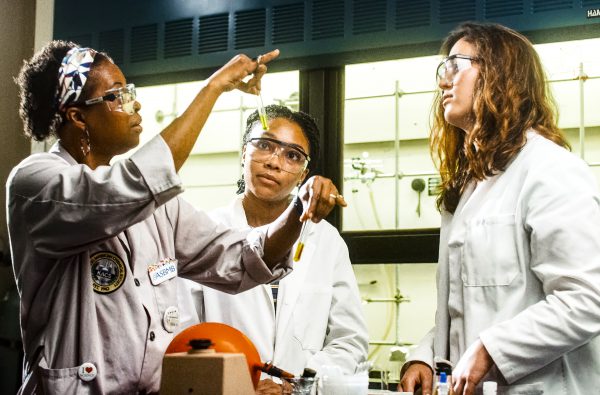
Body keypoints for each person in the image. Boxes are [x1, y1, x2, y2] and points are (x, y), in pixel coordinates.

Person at [7, 41, 344, 394]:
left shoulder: (159, 208)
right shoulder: (37, 184)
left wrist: (296, 212)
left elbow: (240, 258)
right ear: (78, 117)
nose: (134, 103)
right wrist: (213, 89)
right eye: (117, 96)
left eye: (130, 92)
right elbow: (126, 189)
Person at [399, 22, 600, 395]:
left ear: (499, 75)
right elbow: (466, 309)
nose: (444, 82)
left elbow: (587, 300)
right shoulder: (470, 184)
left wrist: (494, 349)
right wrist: (424, 355)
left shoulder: (550, 169)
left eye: (456, 66)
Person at [177, 105, 369, 392]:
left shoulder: (326, 241)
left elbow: (349, 340)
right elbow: (183, 335)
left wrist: (296, 384)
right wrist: (236, 385)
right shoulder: (206, 233)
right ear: (244, 153)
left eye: (292, 155)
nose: (274, 162)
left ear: (303, 173)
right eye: (264, 145)